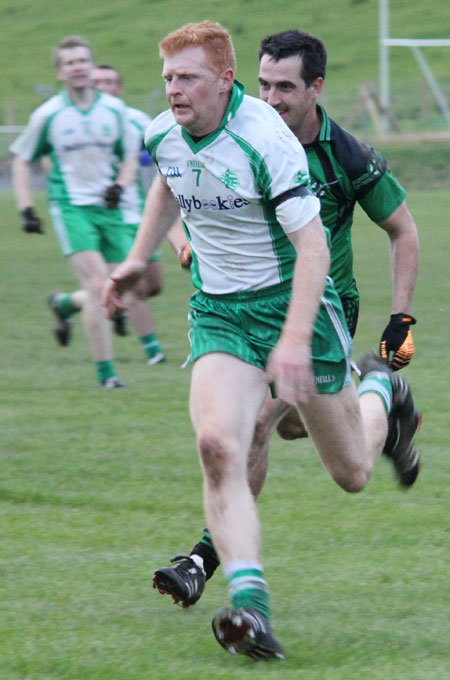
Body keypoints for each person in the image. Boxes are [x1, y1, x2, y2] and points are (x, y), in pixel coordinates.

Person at [103, 22, 421, 660]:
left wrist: (296, 339)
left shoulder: (269, 141)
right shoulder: (162, 131)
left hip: (296, 304)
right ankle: (249, 608)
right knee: (221, 444)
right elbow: (168, 178)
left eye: (187, 77)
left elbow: (315, 246)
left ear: (224, 80)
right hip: (219, 312)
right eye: (167, 77)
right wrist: (141, 258)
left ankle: (382, 388)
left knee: (352, 472)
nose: (173, 89)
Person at [10, 35, 140, 387]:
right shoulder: (49, 115)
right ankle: (107, 375)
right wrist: (26, 208)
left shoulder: (114, 111)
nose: (77, 66)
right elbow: (22, 160)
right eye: (69, 62)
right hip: (72, 208)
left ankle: (66, 304)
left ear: (91, 66)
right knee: (101, 286)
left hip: (109, 208)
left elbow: (130, 157)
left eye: (83, 60)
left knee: (123, 286)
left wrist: (122, 186)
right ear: (60, 72)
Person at [47, 63, 166, 365]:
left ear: (120, 88)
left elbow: (165, 155)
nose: (103, 87)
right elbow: (53, 159)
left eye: (110, 82)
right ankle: (153, 352)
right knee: (129, 284)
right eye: (97, 82)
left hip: (139, 209)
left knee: (152, 285)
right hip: (103, 214)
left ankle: (67, 304)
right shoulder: (79, 120)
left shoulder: (138, 121)